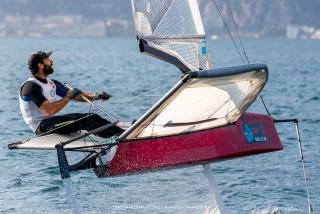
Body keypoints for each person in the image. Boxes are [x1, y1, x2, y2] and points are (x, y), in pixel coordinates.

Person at [19, 50, 124, 138]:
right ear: (40, 65)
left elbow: (76, 95)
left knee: (92, 116)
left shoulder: (52, 83)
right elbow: (49, 110)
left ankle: (123, 135)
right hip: (41, 127)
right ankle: (118, 140)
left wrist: (97, 96)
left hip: (50, 122)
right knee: (84, 121)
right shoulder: (31, 86)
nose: (51, 61)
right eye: (48, 59)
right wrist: (69, 97)